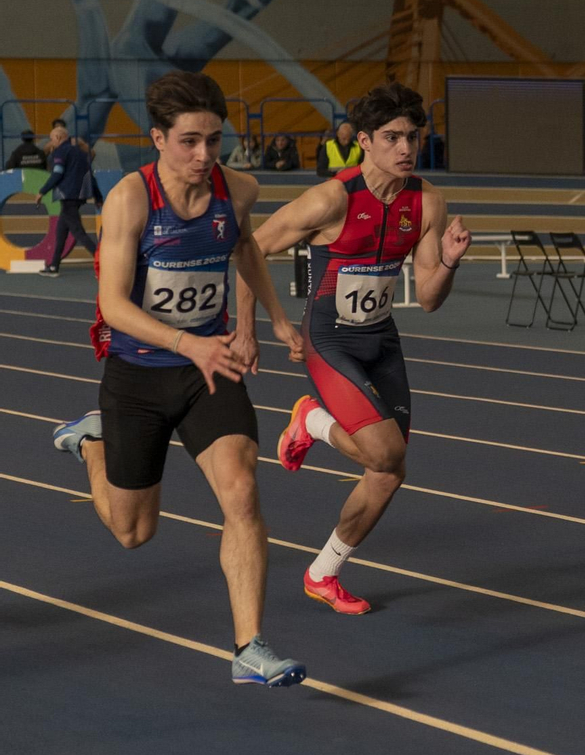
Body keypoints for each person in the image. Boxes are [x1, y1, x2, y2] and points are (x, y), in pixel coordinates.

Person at [48, 70, 307, 687]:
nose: (204, 155)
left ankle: (249, 647)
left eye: (214, 140)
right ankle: (93, 441)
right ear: (159, 139)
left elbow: (245, 249)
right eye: (190, 141)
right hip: (137, 375)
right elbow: (113, 304)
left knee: (242, 491)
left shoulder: (237, 190)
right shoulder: (131, 200)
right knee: (134, 532)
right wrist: (188, 342)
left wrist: (270, 318)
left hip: (207, 375)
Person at [242, 83, 472, 615]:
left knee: (389, 471)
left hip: (381, 341)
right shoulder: (332, 198)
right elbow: (250, 247)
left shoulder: (427, 202)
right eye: (391, 137)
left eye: (412, 137)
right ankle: (315, 422)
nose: (405, 148)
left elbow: (431, 299)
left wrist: (451, 261)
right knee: (386, 452)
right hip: (329, 340)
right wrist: (252, 327)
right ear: (363, 141)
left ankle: (323, 572)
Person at [38, 124, 103, 276]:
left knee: (79, 233)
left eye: (52, 138)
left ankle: (103, 262)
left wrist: (42, 191)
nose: (51, 142)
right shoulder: (81, 153)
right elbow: (90, 176)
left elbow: (57, 174)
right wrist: (98, 196)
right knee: (61, 231)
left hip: (67, 197)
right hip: (79, 196)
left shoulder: (60, 152)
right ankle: (54, 266)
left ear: (59, 138)